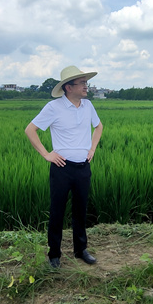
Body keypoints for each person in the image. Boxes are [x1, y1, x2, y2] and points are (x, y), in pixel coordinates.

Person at [25, 65, 103, 269]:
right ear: (68, 87)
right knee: (57, 211)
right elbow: (30, 130)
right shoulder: (53, 108)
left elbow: (99, 126)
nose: (86, 87)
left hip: (83, 167)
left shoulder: (88, 106)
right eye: (82, 83)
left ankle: (81, 250)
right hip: (62, 169)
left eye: (87, 82)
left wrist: (92, 148)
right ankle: (54, 254)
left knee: (81, 210)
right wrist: (46, 154)